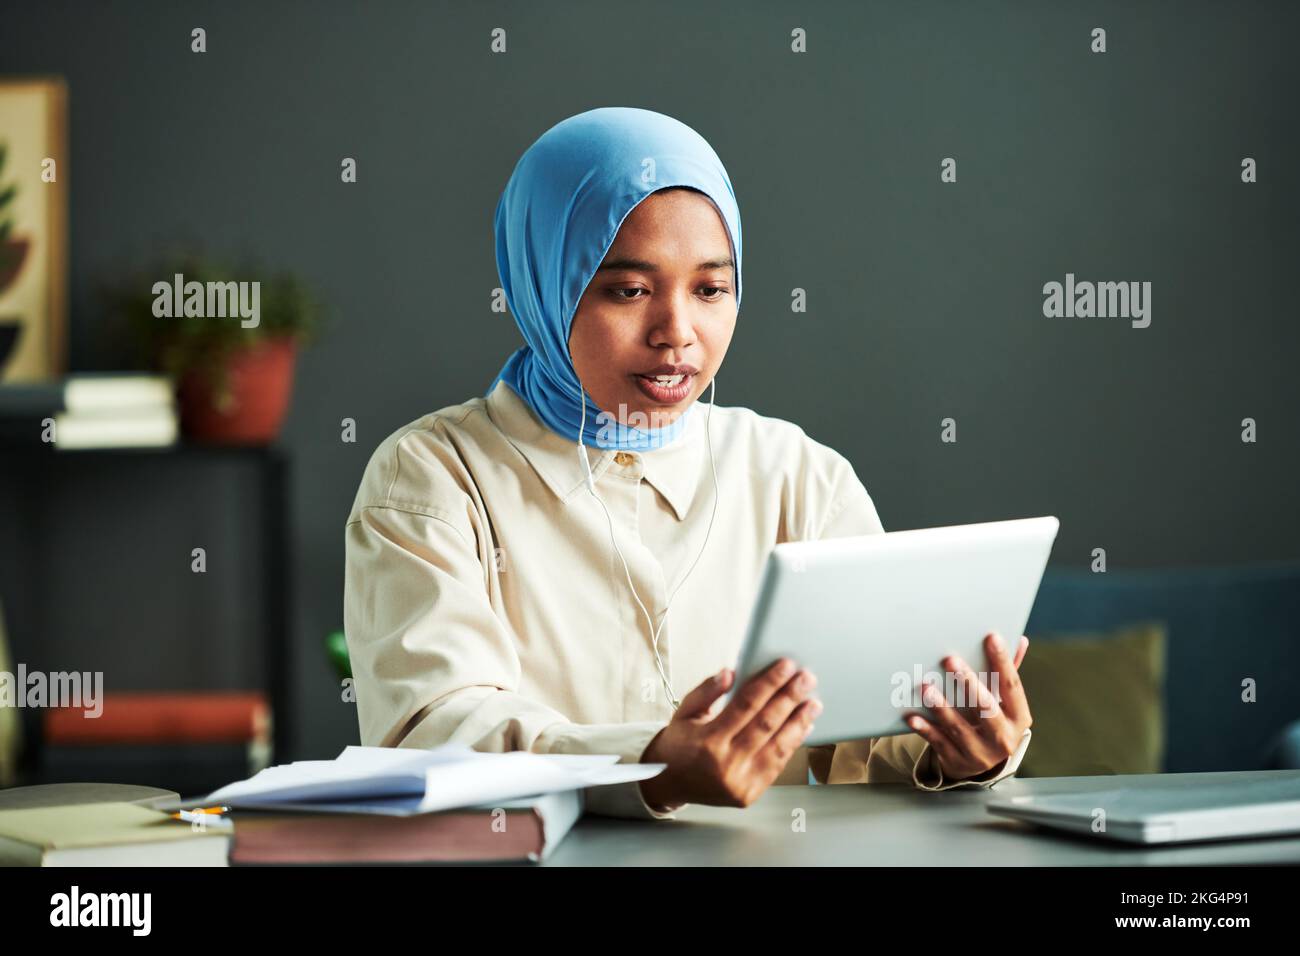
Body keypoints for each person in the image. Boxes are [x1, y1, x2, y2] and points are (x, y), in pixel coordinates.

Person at [343, 106, 1033, 819]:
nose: (677, 332)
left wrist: (955, 746)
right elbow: (432, 732)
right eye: (629, 290)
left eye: (710, 289)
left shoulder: (799, 477)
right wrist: (652, 767)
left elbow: (858, 738)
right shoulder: (432, 476)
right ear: (543, 284)